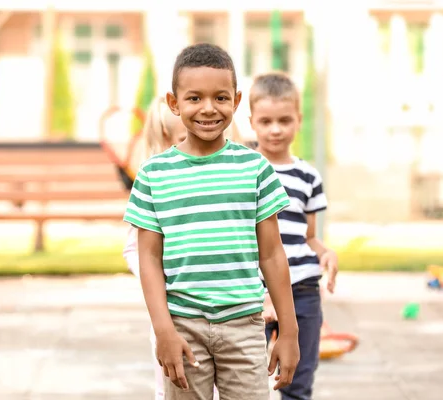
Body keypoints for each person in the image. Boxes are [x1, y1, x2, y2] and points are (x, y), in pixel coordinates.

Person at [123, 43, 300, 400]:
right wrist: (164, 331)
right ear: (175, 103)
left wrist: (289, 332)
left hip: (245, 326)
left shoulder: (255, 169)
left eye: (220, 98)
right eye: (194, 98)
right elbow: (149, 260)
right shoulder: (153, 175)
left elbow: (272, 255)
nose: (208, 108)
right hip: (182, 327)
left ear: (236, 102)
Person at [124, 95, 241, 400]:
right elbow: (136, 251)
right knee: (177, 384)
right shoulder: (156, 186)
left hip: (230, 315)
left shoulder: (230, 183)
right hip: (176, 314)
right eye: (181, 140)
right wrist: (160, 280)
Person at [249, 72, 339, 400]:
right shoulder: (243, 169)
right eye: (266, 121)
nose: (275, 129)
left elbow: (309, 235)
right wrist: (263, 293)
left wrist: (325, 253)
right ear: (252, 122)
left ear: (298, 120)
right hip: (251, 291)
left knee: (298, 384)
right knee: (245, 383)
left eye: (284, 120)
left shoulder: (309, 177)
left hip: (302, 291)